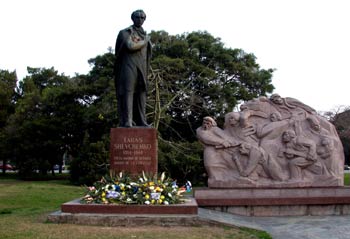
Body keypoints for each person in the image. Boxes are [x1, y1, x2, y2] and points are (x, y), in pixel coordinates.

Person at [114, 9, 152, 127]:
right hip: (128, 66)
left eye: (142, 18)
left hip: (142, 68)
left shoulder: (144, 34)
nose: (140, 20)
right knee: (128, 92)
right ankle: (128, 121)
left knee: (141, 94)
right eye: (137, 17)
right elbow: (130, 46)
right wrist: (145, 41)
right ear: (133, 18)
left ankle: (141, 120)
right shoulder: (125, 32)